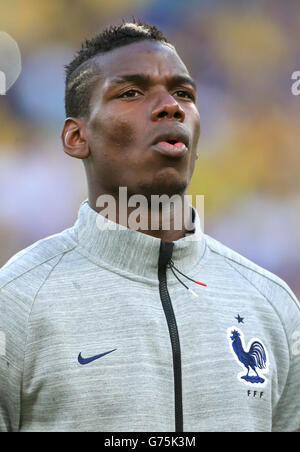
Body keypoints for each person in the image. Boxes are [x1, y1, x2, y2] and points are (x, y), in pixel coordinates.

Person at [0, 20, 299, 433]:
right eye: (131, 92)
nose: (170, 106)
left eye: (183, 93)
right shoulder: (15, 303)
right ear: (76, 137)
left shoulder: (272, 304)